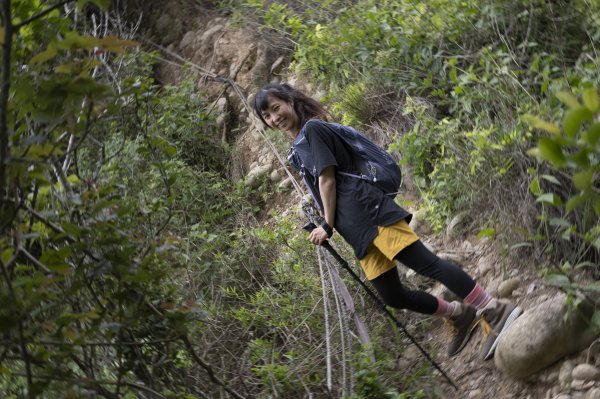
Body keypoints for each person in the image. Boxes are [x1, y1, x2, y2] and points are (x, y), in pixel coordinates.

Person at [253, 82, 522, 360]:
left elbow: (327, 178)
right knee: (392, 296)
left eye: (276, 108)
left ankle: (494, 308)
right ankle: (459, 314)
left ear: (290, 101)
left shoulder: (313, 130)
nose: (275, 118)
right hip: (355, 229)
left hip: (370, 211)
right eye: (267, 116)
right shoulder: (298, 147)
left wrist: (326, 225)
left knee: (427, 264)